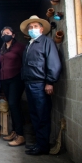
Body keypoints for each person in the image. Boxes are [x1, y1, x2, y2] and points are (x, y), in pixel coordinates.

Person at [20, 15, 61, 155]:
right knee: (35, 115)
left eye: (35, 26)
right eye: (30, 27)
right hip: (30, 84)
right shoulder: (29, 44)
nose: (32, 29)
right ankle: (39, 143)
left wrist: (50, 82)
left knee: (42, 115)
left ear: (42, 29)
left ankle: (43, 147)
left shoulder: (47, 42)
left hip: (40, 85)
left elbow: (54, 63)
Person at [0, 26, 26, 146]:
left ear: (13, 35)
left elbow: (25, 62)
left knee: (14, 104)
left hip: (16, 79)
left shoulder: (19, 47)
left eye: (8, 33)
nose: (6, 35)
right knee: (12, 105)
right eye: (4, 33)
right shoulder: (3, 48)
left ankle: (21, 135)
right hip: (5, 80)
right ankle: (15, 132)